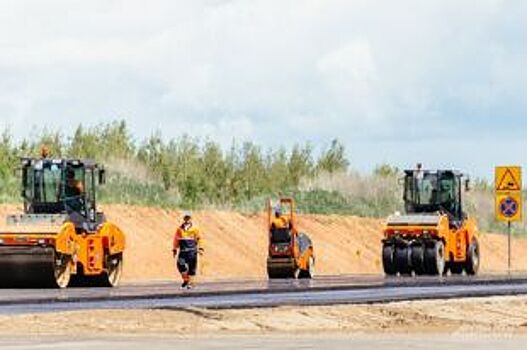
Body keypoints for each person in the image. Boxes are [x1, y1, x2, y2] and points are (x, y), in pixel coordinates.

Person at [172, 212, 204, 289]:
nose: (187, 219)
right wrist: (174, 249)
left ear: (191, 219)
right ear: (183, 219)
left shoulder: (195, 229)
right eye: (185, 218)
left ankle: (191, 283)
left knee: (192, 267)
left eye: (188, 218)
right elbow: (176, 239)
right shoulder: (179, 229)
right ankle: (186, 280)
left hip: (192, 251)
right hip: (183, 252)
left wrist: (201, 248)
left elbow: (199, 239)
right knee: (180, 265)